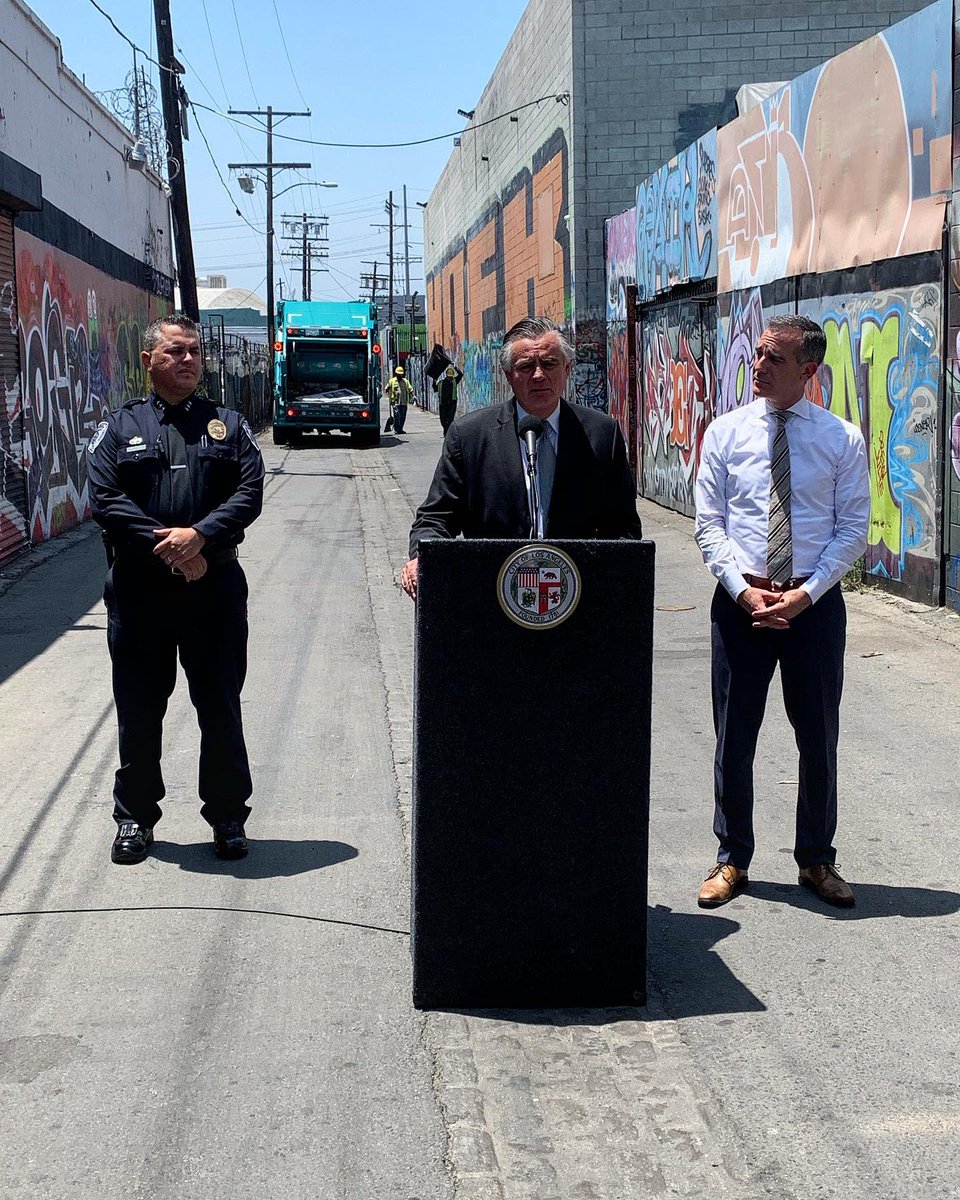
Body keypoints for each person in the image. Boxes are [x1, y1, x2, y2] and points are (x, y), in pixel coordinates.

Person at [693, 314, 869, 909]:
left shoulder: (841, 439)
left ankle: (816, 859)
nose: (759, 365)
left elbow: (852, 530)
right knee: (733, 735)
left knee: (818, 736)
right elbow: (709, 524)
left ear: (808, 369)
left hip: (812, 607)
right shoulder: (725, 433)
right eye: (758, 353)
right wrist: (741, 590)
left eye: (774, 357)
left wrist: (806, 594)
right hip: (740, 603)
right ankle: (731, 858)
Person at [87, 313, 265, 865]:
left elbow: (250, 492)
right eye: (175, 351)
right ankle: (135, 818)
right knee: (139, 709)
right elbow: (105, 499)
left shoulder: (228, 424)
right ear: (148, 360)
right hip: (140, 592)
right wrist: (171, 548)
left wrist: (200, 538)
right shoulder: (120, 427)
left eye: (194, 351)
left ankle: (228, 817)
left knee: (220, 706)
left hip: (214, 590)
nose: (188, 360)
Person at [400, 316, 642, 600]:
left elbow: (624, 527)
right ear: (508, 374)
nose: (538, 375)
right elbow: (435, 518)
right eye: (526, 366)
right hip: (492, 597)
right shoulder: (469, 437)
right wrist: (424, 556)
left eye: (549, 363)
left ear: (567, 368)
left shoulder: (602, 434)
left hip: (576, 599)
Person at [433, 363, 463, 434]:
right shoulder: (441, 383)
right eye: (449, 377)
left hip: (452, 404)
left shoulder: (455, 381)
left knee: (450, 419)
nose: (450, 378)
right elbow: (435, 388)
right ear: (446, 376)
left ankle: (447, 433)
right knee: (443, 420)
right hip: (443, 404)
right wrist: (434, 380)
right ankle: (445, 429)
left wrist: (455, 367)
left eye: (451, 377)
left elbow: (460, 374)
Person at [385, 365, 414, 434]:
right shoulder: (392, 381)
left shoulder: (405, 381)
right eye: (398, 374)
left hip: (404, 402)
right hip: (395, 402)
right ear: (396, 374)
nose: (399, 375)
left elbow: (410, 389)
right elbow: (387, 387)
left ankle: (400, 429)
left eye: (401, 374)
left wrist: (413, 396)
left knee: (403, 416)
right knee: (397, 415)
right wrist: (387, 389)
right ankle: (396, 428)